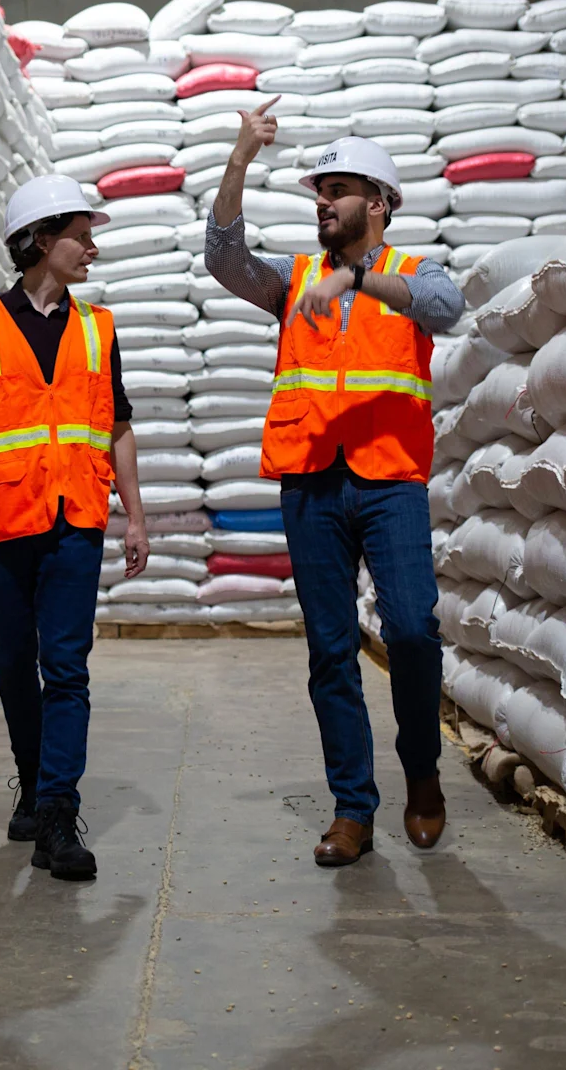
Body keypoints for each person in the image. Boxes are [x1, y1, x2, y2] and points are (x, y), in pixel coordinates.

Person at [205, 102, 465, 867]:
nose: (323, 201)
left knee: (413, 630)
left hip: (390, 482)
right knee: (329, 649)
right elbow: (224, 260)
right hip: (312, 483)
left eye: (338, 189)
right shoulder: (293, 279)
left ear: (378, 204)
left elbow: (448, 310)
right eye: (318, 191)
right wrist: (239, 159)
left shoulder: (415, 274)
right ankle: (354, 806)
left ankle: (421, 768)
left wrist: (360, 280)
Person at [0, 173, 151, 881]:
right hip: (2, 519)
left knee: (67, 668)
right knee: (13, 666)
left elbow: (117, 425)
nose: (91, 247)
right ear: (39, 240)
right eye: (80, 235)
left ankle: (58, 812)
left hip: (75, 521)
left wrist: (135, 514)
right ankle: (32, 781)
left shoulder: (98, 328)